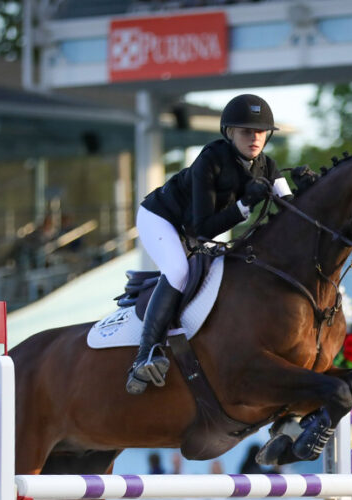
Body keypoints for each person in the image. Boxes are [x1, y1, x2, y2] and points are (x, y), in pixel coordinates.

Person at [126, 93, 313, 395]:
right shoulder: (210, 160)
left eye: (260, 132)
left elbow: (291, 214)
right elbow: (202, 230)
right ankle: (145, 354)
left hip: (190, 228)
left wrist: (308, 192)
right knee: (178, 272)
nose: (255, 138)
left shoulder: (268, 166)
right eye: (246, 132)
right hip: (160, 218)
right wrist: (243, 204)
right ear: (229, 133)